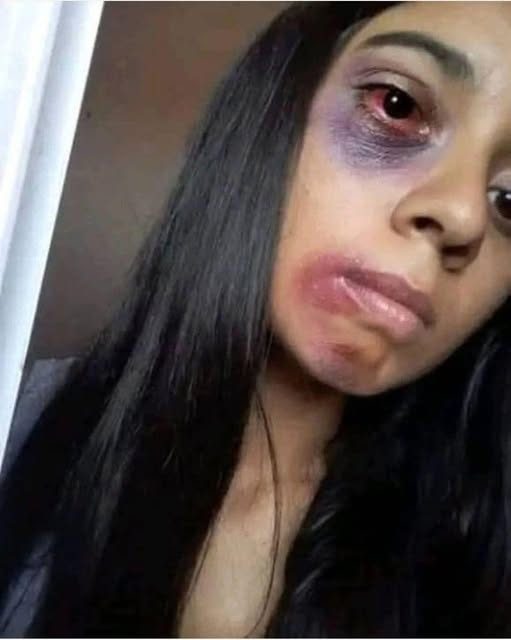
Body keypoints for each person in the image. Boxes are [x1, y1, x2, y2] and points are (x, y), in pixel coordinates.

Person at [2, 0, 511, 636]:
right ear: (274, 118)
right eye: (397, 106)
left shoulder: (475, 570)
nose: (463, 217)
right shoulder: (19, 424)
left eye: (510, 200)